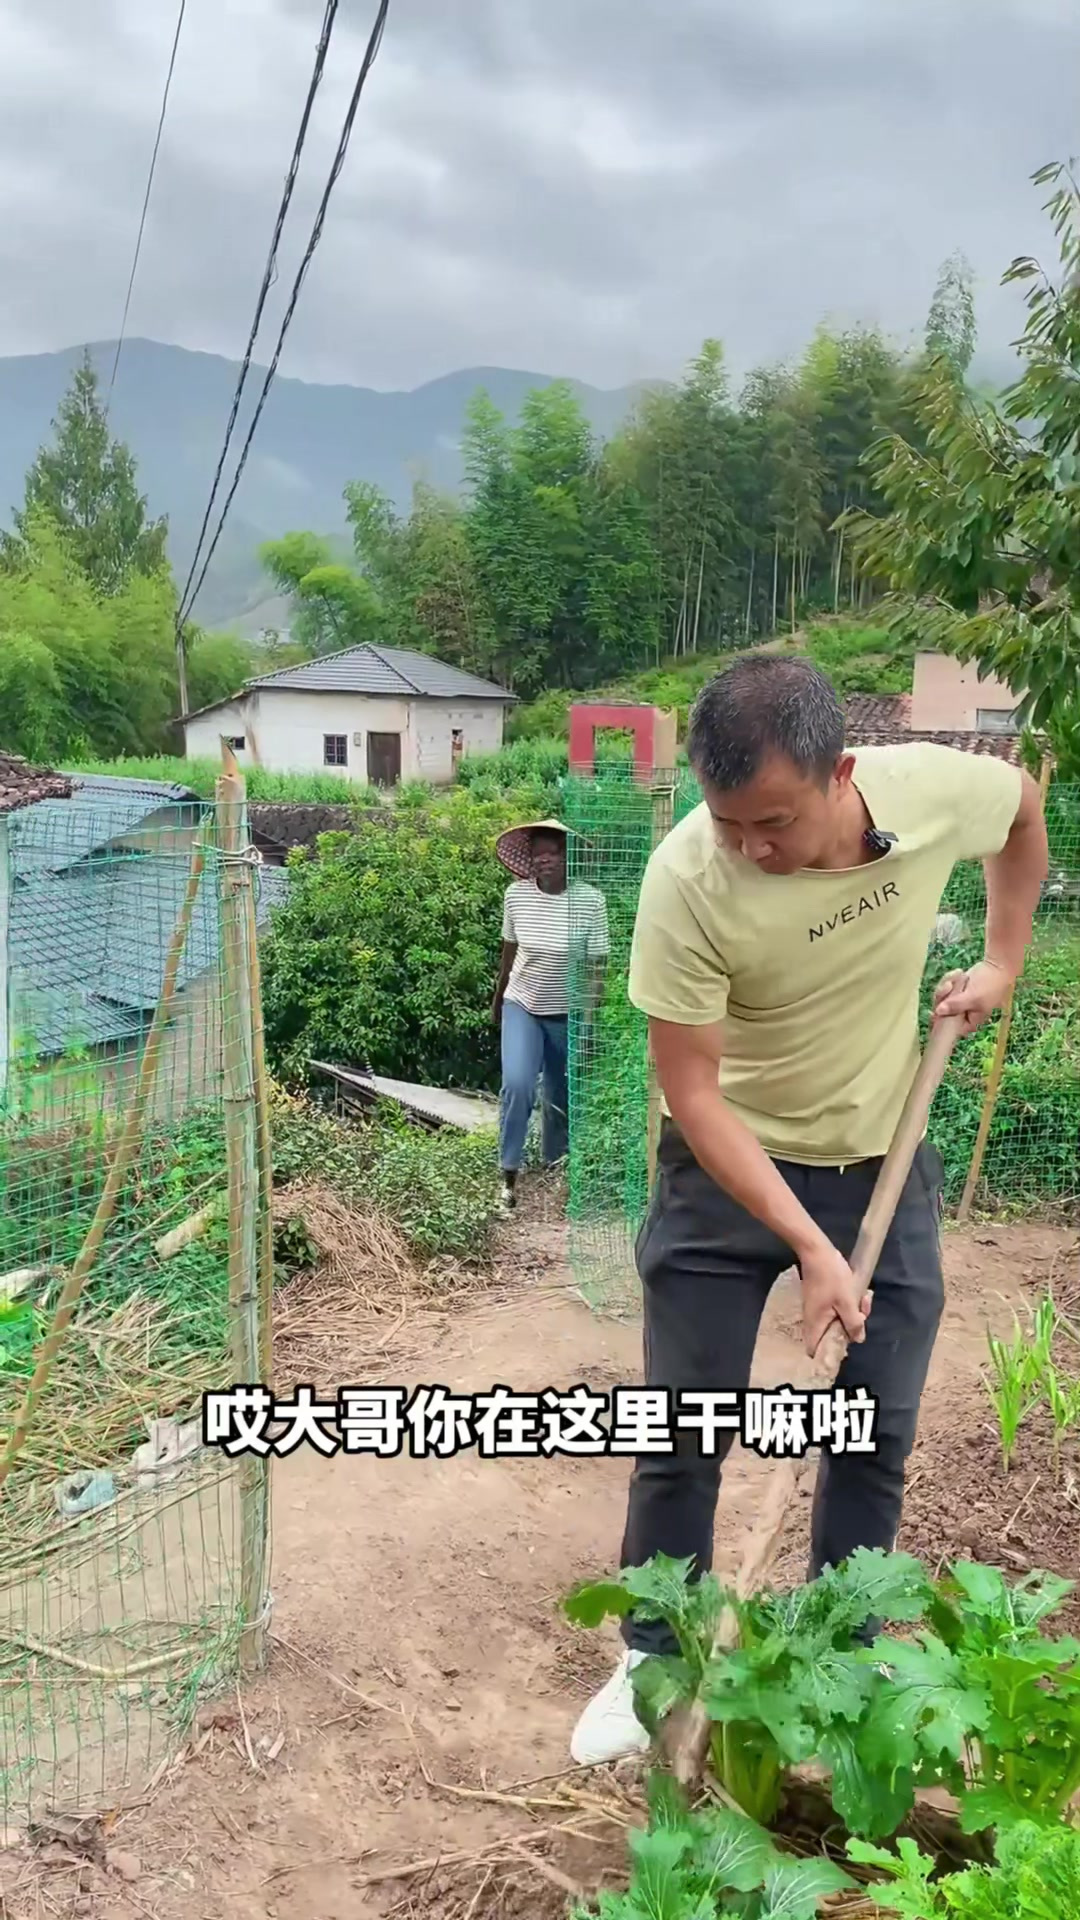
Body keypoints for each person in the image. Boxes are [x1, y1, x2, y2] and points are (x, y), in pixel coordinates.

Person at [570, 654, 1048, 1766]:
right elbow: (690, 1091)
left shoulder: (928, 790)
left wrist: (1004, 960)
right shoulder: (687, 879)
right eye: (728, 821)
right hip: (726, 1167)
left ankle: (844, 1646)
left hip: (883, 1156)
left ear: (840, 773)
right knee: (684, 1431)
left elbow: (1021, 810)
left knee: (874, 1429)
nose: (750, 848)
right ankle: (654, 1654)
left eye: (772, 822)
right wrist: (805, 1244)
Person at [493, 819, 609, 1213]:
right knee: (519, 1085)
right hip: (522, 1005)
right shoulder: (515, 896)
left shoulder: (591, 902)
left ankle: (555, 1172)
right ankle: (507, 1177)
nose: (546, 860)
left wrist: (589, 1024)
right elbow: (508, 955)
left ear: (568, 858)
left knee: (560, 1097)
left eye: (554, 853)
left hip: (568, 1013)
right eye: (538, 853)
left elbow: (597, 970)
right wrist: (497, 1002)